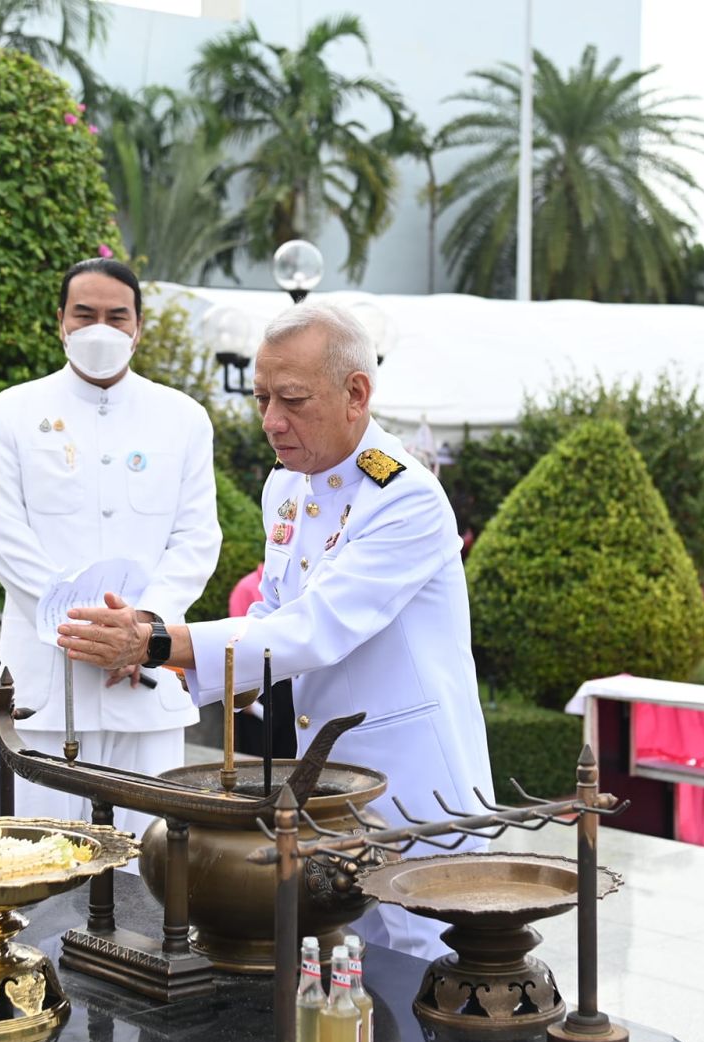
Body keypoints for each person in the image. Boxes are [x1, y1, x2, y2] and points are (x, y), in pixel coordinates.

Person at [58, 301, 494, 955]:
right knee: (345, 965)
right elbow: (273, 613)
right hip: (333, 785)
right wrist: (169, 652)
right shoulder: (288, 488)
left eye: (292, 399)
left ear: (356, 394)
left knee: (425, 963)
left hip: (415, 785)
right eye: (262, 398)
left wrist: (158, 640)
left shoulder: (403, 495)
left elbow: (315, 629)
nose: (270, 421)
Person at [0, 257, 221, 832]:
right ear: (60, 321)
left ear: (138, 326)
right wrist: (91, 631)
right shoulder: (7, 413)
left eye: (117, 316)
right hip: (43, 686)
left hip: (144, 683)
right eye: (85, 315)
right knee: (34, 856)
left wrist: (142, 631)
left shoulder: (183, 418)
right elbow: (1, 535)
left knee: (146, 862)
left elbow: (196, 538)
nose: (100, 329)